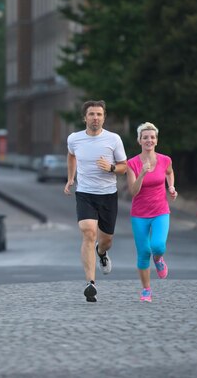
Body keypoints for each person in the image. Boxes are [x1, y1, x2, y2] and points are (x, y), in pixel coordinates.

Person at [64, 100, 127, 302]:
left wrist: (110, 168)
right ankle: (90, 283)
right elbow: (71, 156)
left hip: (108, 194)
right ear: (85, 117)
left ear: (104, 117)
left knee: (106, 240)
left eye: (99, 114)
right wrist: (71, 178)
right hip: (85, 193)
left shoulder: (114, 139)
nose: (95, 118)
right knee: (89, 232)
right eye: (91, 114)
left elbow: (124, 166)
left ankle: (102, 253)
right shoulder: (74, 139)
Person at [126, 122, 178, 303]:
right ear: (139, 140)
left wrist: (171, 186)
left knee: (157, 246)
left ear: (156, 140)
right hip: (139, 214)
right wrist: (141, 173)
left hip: (160, 211)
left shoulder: (165, 160)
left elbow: (170, 173)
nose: (149, 140)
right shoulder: (131, 163)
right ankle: (146, 290)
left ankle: (159, 258)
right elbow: (133, 191)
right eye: (145, 137)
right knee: (142, 252)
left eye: (152, 137)